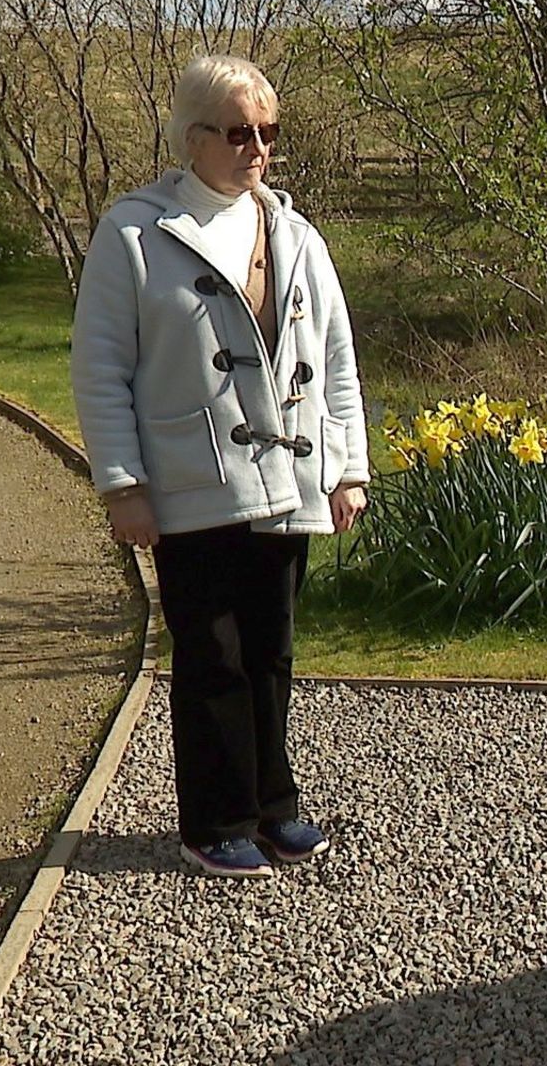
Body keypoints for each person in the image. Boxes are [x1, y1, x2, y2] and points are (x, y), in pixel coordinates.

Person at [71, 54, 369, 879]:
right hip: (190, 486)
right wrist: (122, 484)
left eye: (269, 133)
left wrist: (348, 470)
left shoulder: (298, 236)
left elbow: (336, 359)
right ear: (193, 137)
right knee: (212, 656)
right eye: (240, 132)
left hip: (290, 486)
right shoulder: (133, 234)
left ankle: (276, 807)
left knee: (272, 649)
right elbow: (100, 368)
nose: (258, 150)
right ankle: (214, 821)